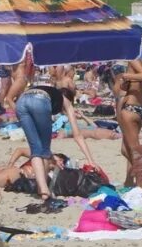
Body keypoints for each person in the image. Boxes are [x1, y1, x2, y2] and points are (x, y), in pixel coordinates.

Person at [14, 81, 101, 211]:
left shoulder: (52, 92)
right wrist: (90, 160)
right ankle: (44, 191)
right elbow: (77, 135)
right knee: (43, 148)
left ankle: (41, 189)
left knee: (35, 149)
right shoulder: (66, 102)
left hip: (21, 101)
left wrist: (52, 156)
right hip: (39, 100)